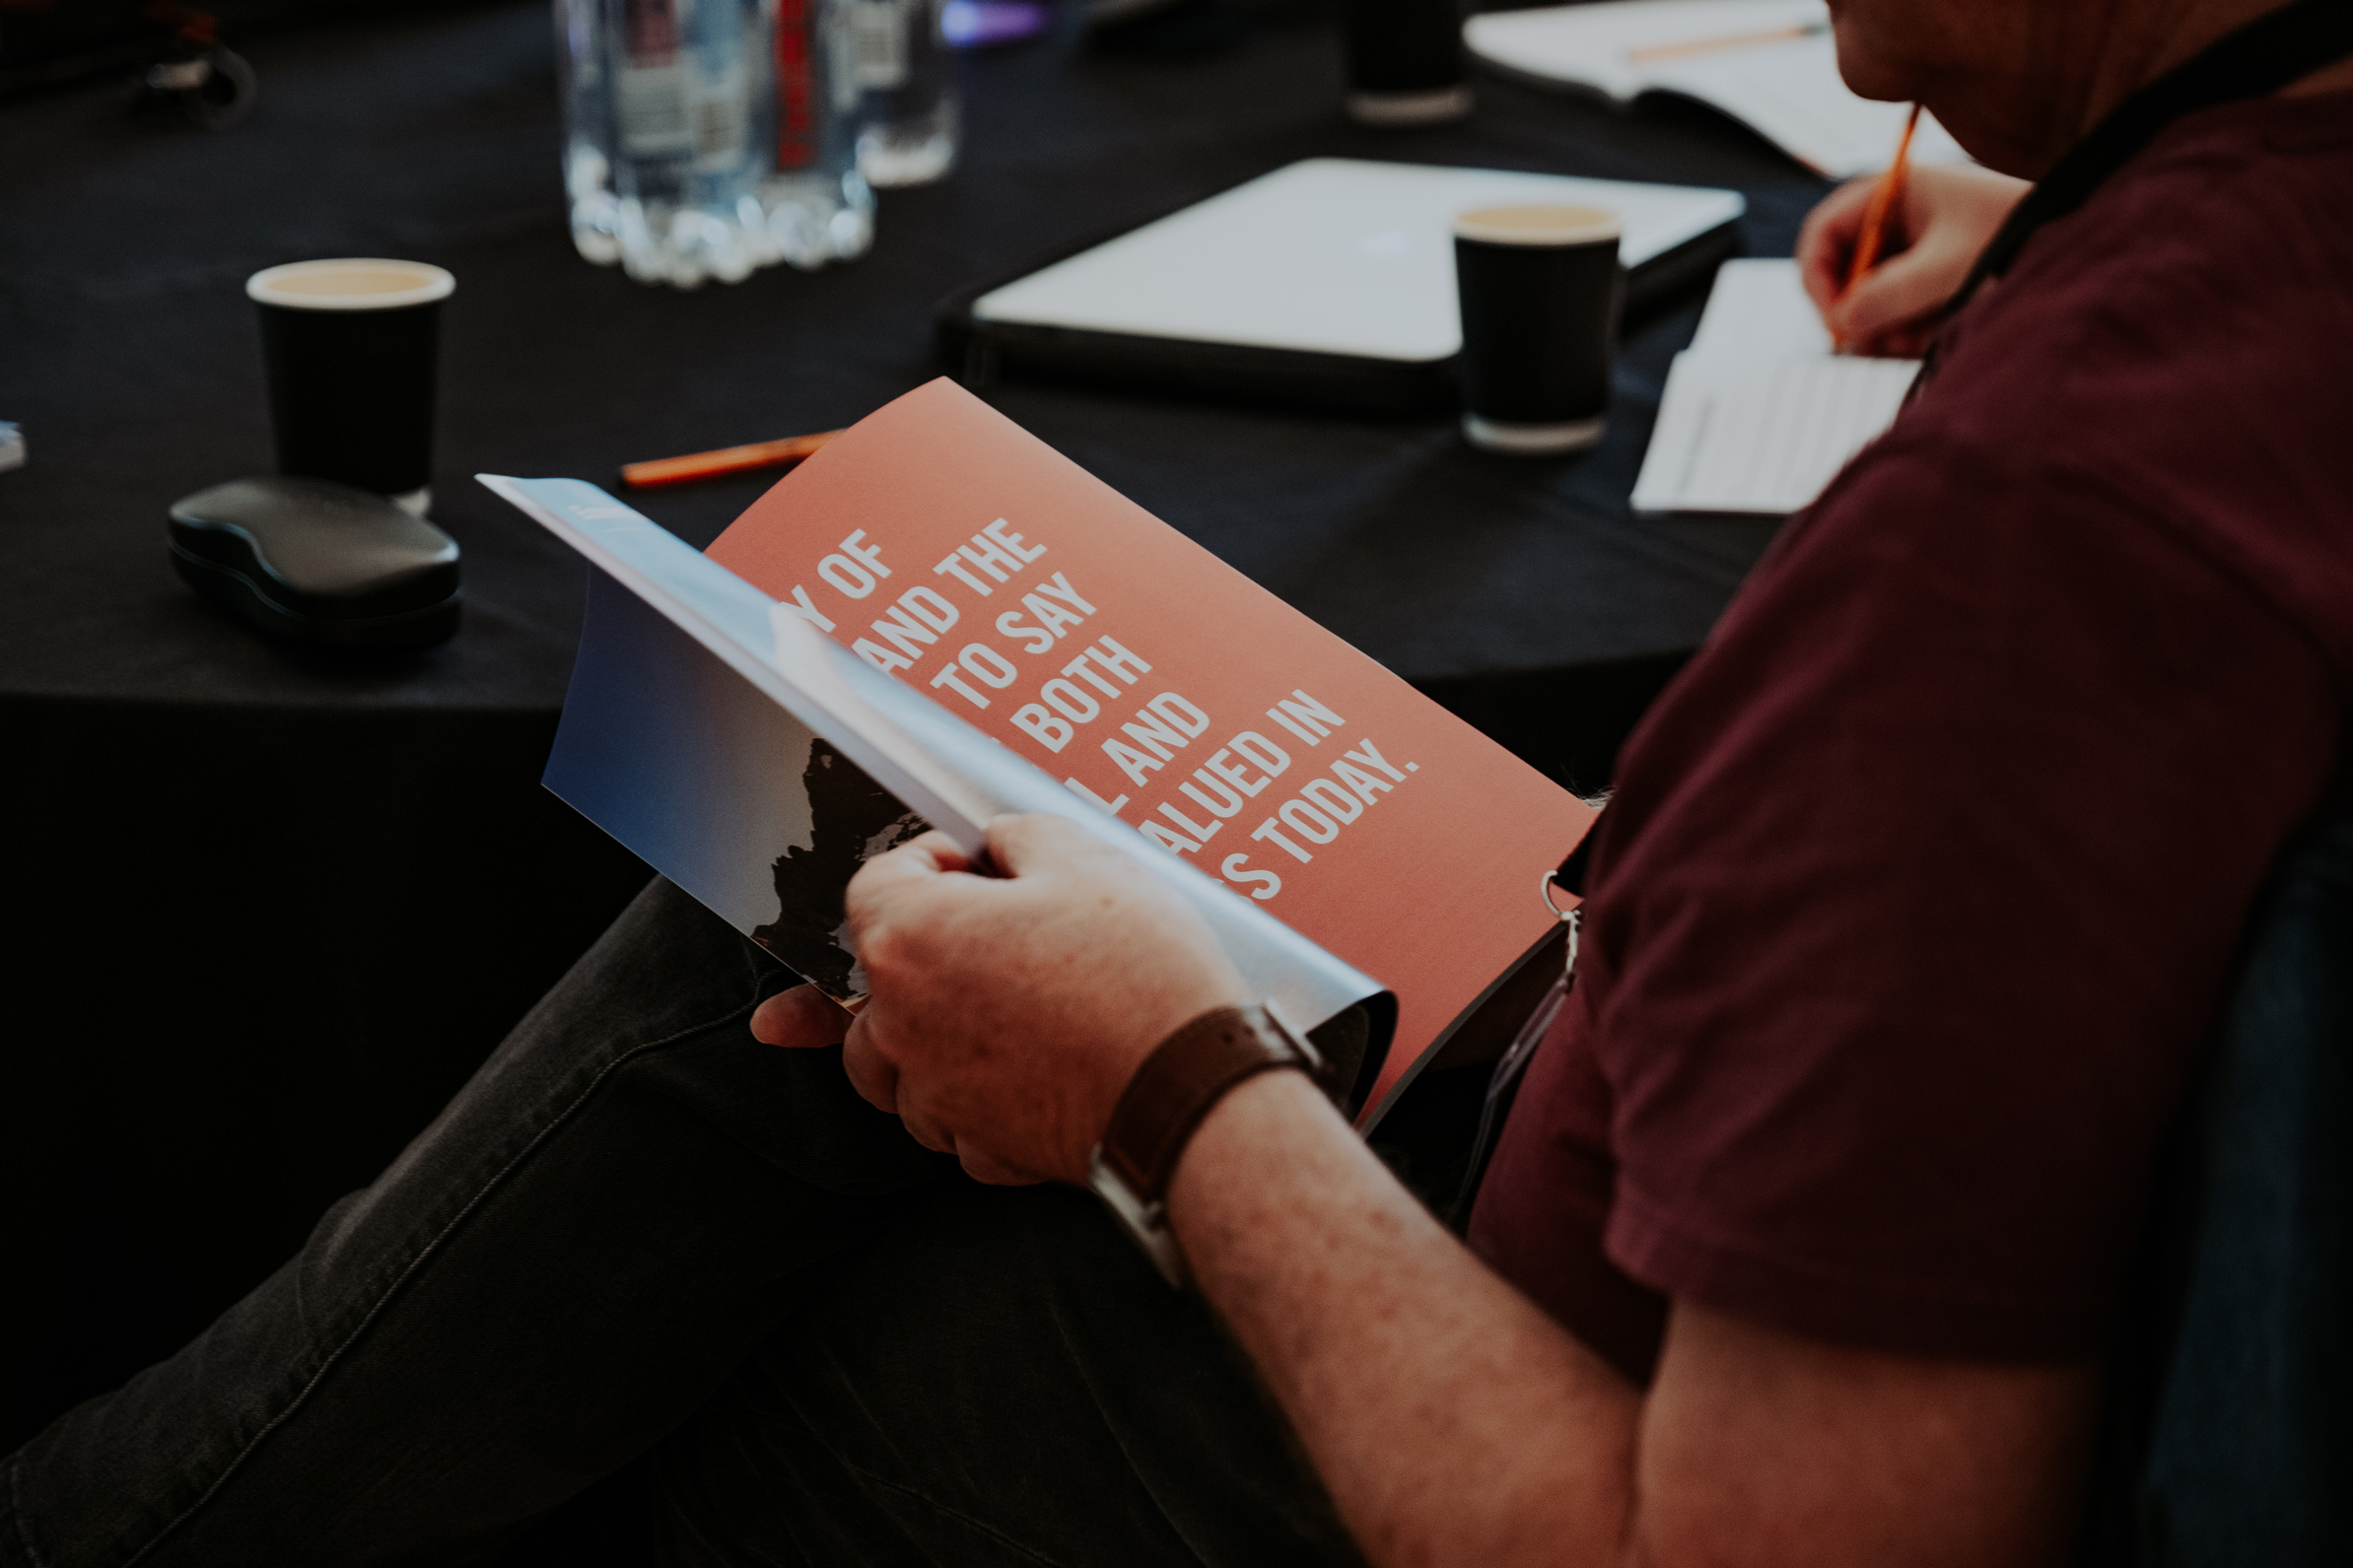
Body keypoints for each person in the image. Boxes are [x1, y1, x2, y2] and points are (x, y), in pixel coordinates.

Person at [8, 0, 2351, 1562]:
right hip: (1564, 1140)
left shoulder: (2026, 551)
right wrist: (2060, 222)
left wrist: (1167, 1077)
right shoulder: (2261, 250)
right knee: (841, 894)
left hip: (1450, 1406)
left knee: (780, 979)